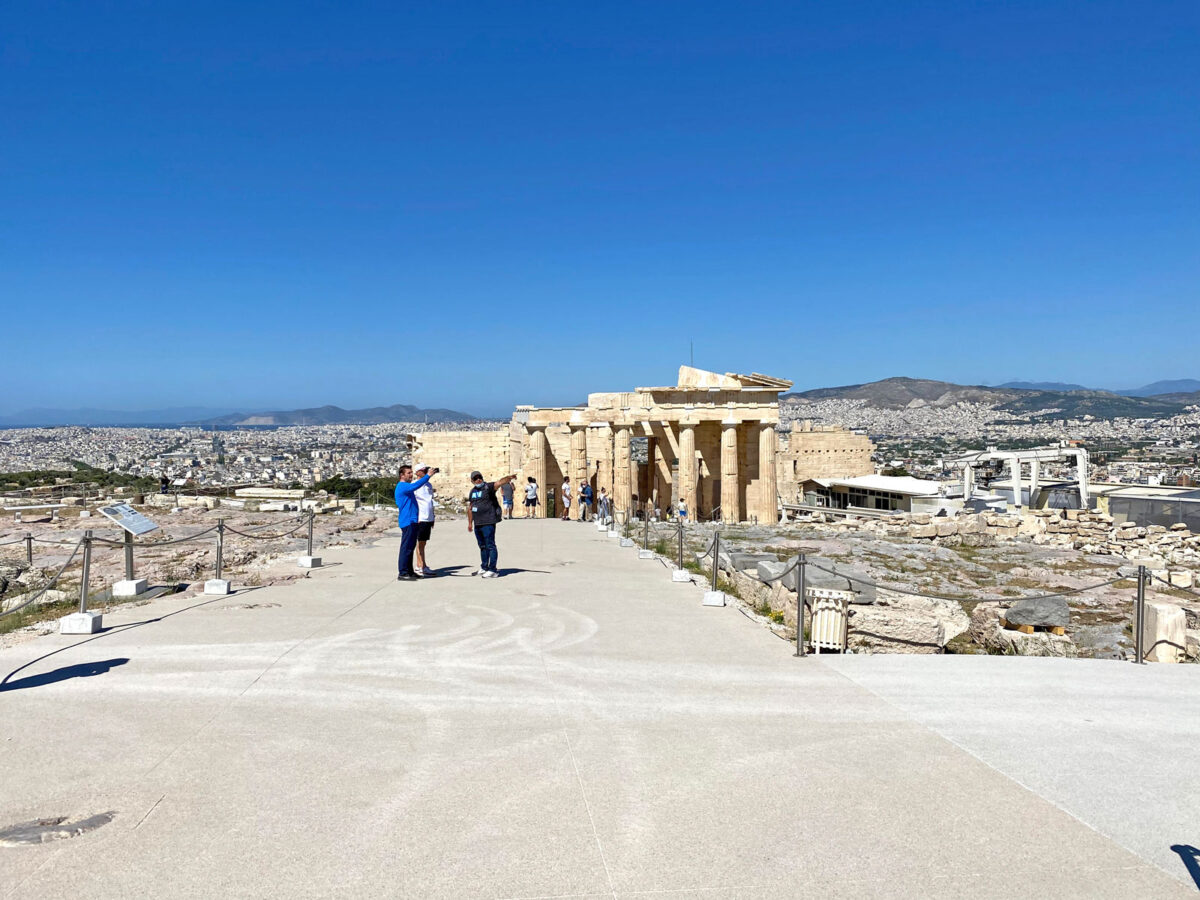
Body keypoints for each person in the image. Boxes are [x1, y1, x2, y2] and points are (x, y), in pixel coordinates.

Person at [467, 470, 516, 577]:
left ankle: (493, 569)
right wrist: (470, 523)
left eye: (479, 477)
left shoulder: (488, 487)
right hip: (478, 523)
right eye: (475, 478)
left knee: (490, 545)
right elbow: (470, 508)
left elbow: (499, 483)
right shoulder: (472, 492)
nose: (478, 479)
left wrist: (508, 478)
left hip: (488, 521)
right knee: (482, 546)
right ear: (472, 481)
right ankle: (484, 567)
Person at [394, 464, 436, 581]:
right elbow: (417, 485)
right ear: (402, 475)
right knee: (406, 548)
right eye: (409, 473)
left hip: (413, 521)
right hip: (407, 521)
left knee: (411, 548)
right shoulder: (402, 486)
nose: (411, 475)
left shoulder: (407, 486)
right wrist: (428, 475)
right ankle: (402, 572)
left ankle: (410, 571)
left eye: (412, 473)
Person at [412, 463, 437, 576]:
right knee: (420, 542)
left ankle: (423, 565)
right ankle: (419, 566)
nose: (427, 471)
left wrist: (433, 517)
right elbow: (414, 502)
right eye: (424, 470)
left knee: (424, 543)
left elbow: (430, 502)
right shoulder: (414, 485)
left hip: (428, 517)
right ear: (418, 472)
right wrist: (416, 516)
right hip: (420, 517)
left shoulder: (428, 485)